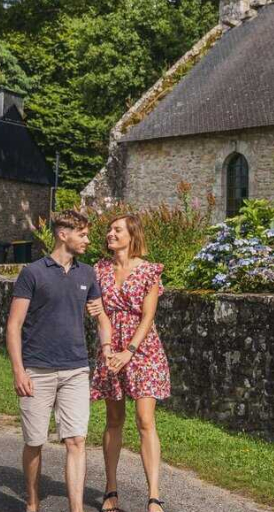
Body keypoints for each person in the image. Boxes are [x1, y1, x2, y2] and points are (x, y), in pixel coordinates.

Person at [6, 209, 115, 512]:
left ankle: (76, 509)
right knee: (35, 442)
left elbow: (101, 317)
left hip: (76, 369)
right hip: (37, 370)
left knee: (76, 440)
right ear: (62, 234)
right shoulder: (33, 273)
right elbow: (14, 326)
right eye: (83, 234)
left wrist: (106, 346)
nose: (89, 240)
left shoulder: (87, 273)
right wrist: (19, 371)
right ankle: (31, 501)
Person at [87, 214, 172, 512]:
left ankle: (154, 495)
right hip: (110, 349)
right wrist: (110, 348)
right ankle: (111, 488)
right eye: (110, 229)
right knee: (113, 420)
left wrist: (130, 351)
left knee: (145, 420)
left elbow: (148, 315)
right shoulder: (99, 270)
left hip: (143, 348)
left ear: (132, 235)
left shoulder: (149, 270)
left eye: (117, 229)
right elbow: (98, 311)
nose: (110, 233)